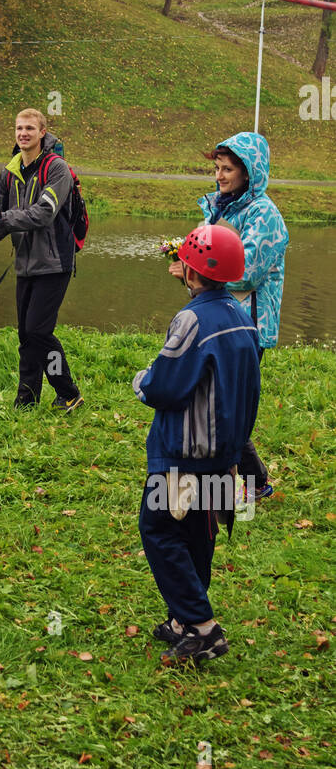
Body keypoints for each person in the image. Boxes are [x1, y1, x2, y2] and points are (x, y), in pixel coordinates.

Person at [135, 223, 261, 667]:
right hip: (222, 457)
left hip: (183, 457)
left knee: (159, 529)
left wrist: (141, 382)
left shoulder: (191, 319)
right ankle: (181, 619)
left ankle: (203, 627)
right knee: (197, 534)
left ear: (190, 271)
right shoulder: (243, 317)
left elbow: (165, 386)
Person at [168, 132, 288, 500]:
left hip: (247, 325)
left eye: (228, 169)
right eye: (217, 168)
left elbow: (247, 269)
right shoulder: (223, 208)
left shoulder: (264, 214)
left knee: (227, 407)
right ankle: (237, 480)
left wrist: (195, 267)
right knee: (215, 402)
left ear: (249, 173)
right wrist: (189, 267)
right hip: (218, 319)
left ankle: (253, 483)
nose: (219, 176)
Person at [0, 107, 82, 411]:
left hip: (55, 262)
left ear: (42, 132)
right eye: (19, 128)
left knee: (38, 332)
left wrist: (0, 217)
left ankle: (68, 391)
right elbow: (2, 223)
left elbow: (44, 213)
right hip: (25, 263)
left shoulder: (57, 168)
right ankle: (27, 398)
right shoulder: (9, 171)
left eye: (30, 129)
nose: (23, 133)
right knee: (26, 334)